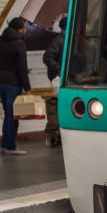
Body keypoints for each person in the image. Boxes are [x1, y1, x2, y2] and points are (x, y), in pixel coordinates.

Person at [0, 17, 30, 155]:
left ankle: (5, 145)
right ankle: (10, 147)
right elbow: (22, 68)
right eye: (24, 28)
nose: (26, 30)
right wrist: (27, 87)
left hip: (0, 82)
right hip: (13, 84)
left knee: (8, 115)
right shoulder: (19, 43)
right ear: (19, 29)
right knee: (13, 116)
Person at [42, 16, 65, 147]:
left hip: (65, 79)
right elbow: (47, 57)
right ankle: (54, 133)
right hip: (59, 80)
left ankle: (56, 132)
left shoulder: (66, 40)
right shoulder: (58, 41)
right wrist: (58, 69)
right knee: (56, 105)